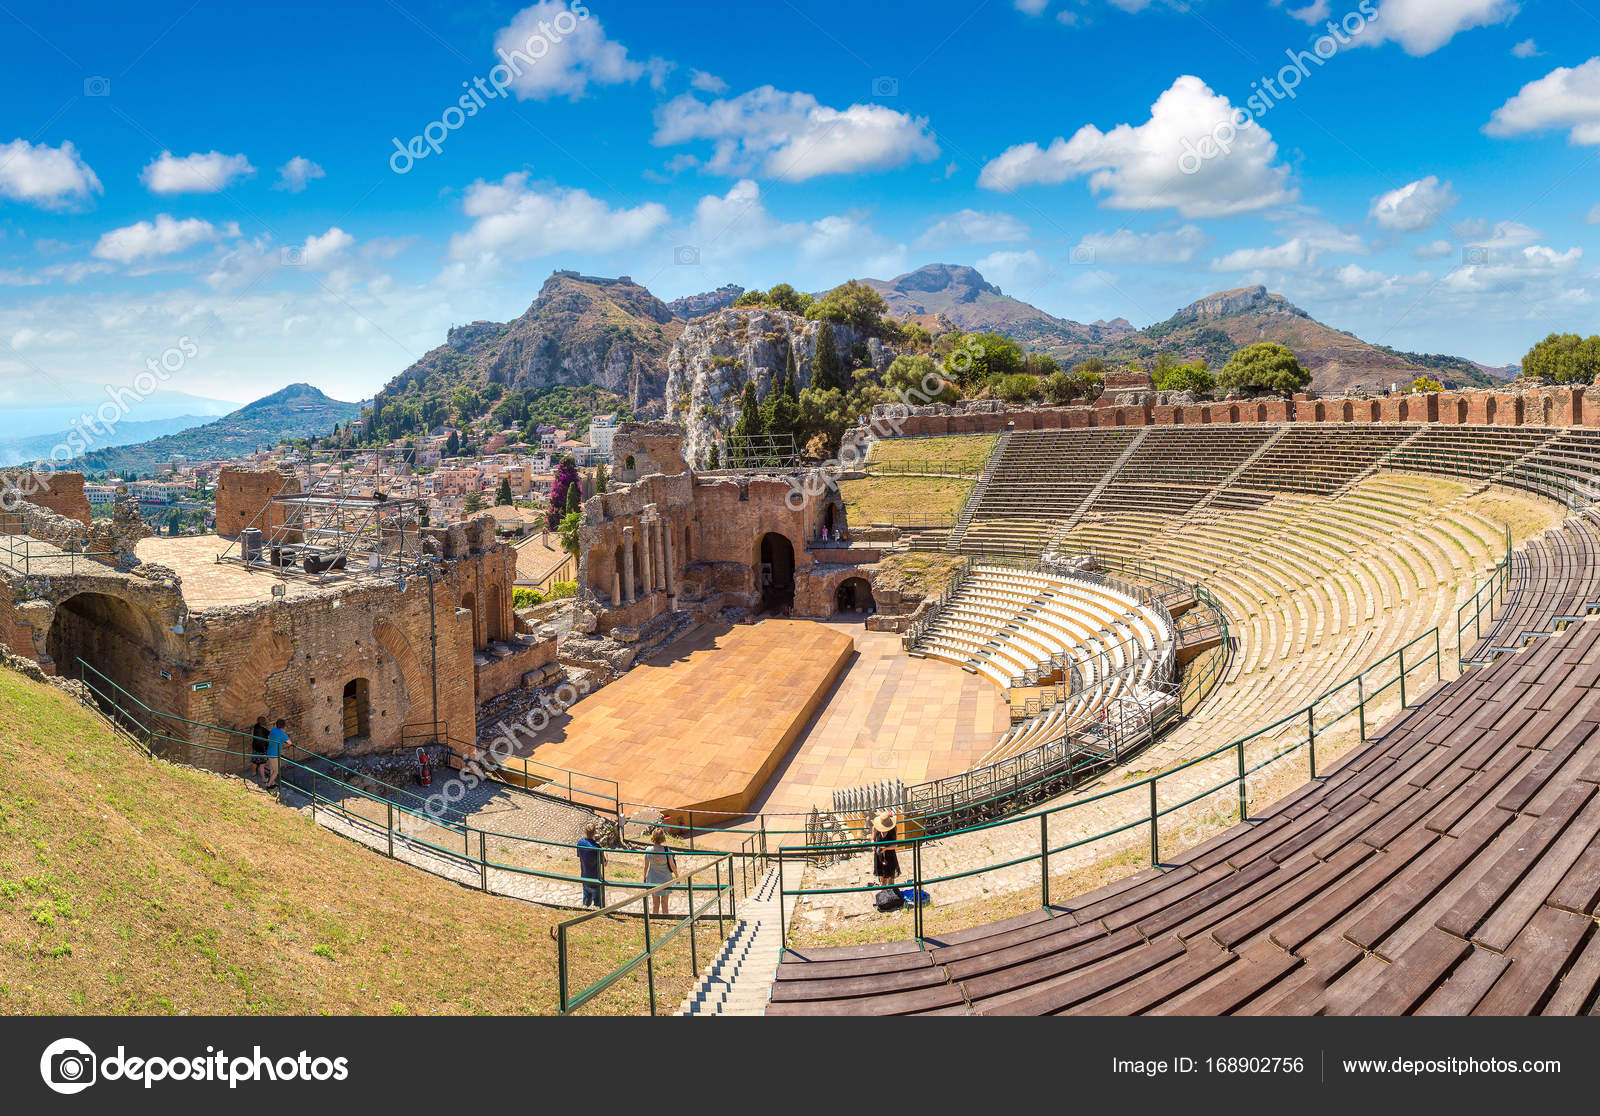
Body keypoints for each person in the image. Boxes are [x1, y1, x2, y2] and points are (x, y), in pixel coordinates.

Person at [643, 828, 676, 917]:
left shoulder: (648, 850)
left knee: (655, 903)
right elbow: (672, 865)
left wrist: (644, 877)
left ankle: (655, 920)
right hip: (665, 879)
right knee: (665, 903)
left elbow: (646, 866)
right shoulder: (666, 850)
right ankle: (666, 920)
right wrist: (677, 876)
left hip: (653, 879)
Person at [576, 822, 606, 909]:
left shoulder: (580, 842)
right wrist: (605, 854)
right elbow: (604, 862)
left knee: (585, 900)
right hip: (595, 878)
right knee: (598, 902)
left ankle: (584, 909)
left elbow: (579, 855)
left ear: (585, 831)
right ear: (594, 832)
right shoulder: (597, 847)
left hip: (585, 876)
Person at [871, 809, 900, 888]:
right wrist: (873, 845)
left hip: (890, 855)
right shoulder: (875, 828)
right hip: (879, 855)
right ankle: (884, 896)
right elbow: (872, 839)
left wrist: (886, 848)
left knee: (890, 879)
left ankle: (891, 896)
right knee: (882, 878)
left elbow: (895, 844)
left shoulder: (893, 829)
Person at [264, 718, 290, 790]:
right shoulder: (282, 733)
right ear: (284, 726)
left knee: (272, 769)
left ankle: (273, 783)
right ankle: (268, 785)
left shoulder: (273, 730)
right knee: (276, 771)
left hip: (269, 752)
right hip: (275, 754)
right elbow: (289, 742)